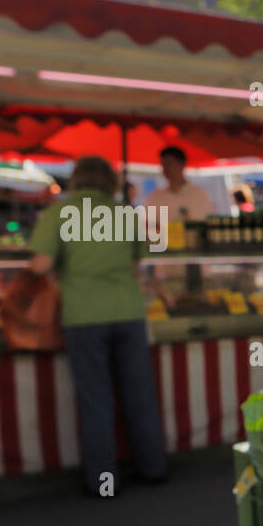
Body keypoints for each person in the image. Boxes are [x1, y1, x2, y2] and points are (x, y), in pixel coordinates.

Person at [28, 156, 167, 497]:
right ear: (110, 181)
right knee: (141, 396)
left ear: (75, 179)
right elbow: (137, 266)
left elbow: (40, 265)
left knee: (96, 400)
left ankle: (104, 481)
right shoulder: (124, 213)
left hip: (84, 315)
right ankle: (153, 469)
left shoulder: (59, 213)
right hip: (129, 312)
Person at [144, 146, 214, 223]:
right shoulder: (155, 196)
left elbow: (199, 225)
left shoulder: (198, 195)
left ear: (182, 164)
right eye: (163, 164)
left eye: (169, 164)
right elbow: (149, 226)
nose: (166, 168)